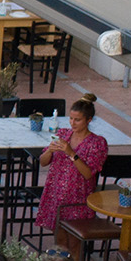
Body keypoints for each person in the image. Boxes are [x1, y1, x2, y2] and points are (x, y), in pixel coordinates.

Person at [39, 97, 108, 243]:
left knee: (75, 243)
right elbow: (43, 162)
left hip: (78, 199)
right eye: (71, 118)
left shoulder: (97, 143)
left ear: (89, 120)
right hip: (57, 195)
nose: (72, 123)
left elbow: (88, 173)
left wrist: (71, 153)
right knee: (60, 241)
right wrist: (49, 151)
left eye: (77, 120)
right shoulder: (63, 134)